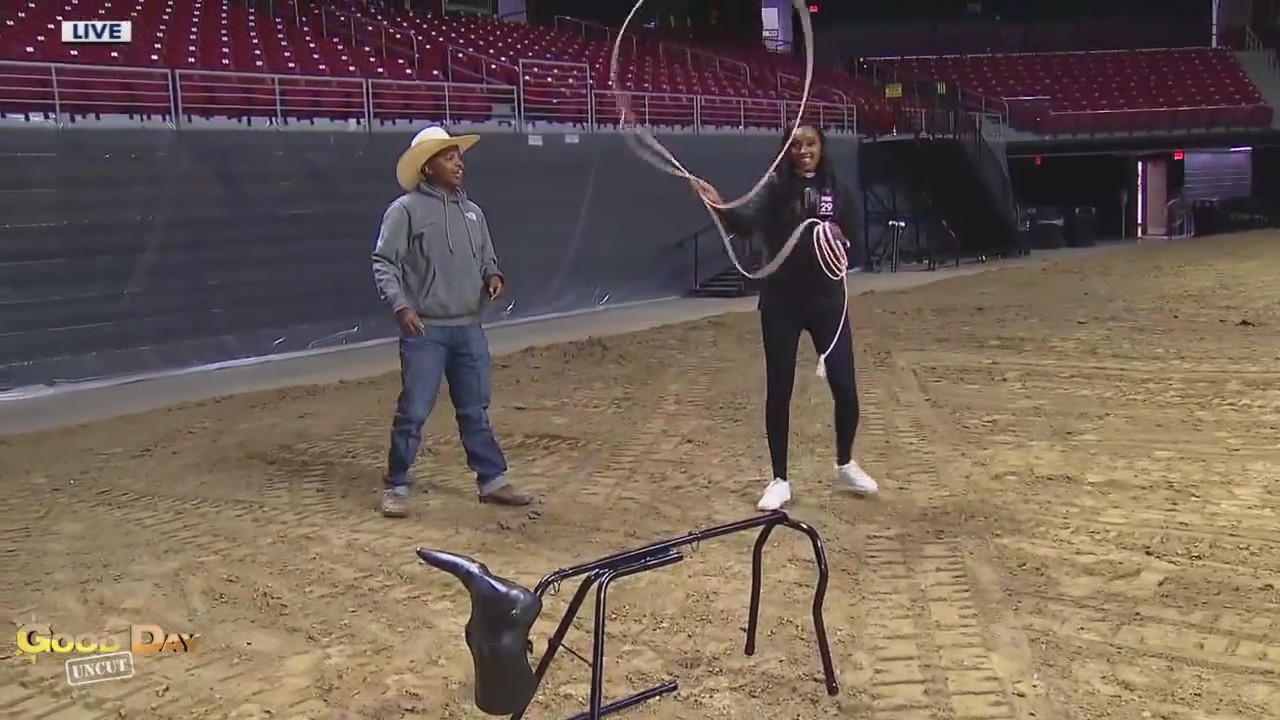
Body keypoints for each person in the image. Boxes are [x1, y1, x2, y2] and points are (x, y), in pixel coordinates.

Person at [692, 124, 879, 511]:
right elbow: (744, 225)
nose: (804, 150)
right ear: (786, 150)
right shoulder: (775, 189)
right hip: (781, 303)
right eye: (795, 145)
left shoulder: (837, 191)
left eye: (810, 143)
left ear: (821, 147)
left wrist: (840, 244)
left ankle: (845, 463)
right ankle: (779, 479)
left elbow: (856, 246)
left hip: (828, 301)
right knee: (780, 389)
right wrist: (717, 204)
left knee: (844, 386)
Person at [371, 126, 534, 518]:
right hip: (425, 329)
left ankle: (491, 480)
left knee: (475, 407)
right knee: (414, 409)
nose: (458, 163)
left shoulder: (473, 213)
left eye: (458, 156)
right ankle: (396, 483)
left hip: (468, 327)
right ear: (427, 167)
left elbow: (487, 260)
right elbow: (384, 262)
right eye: (448, 157)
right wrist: (400, 305)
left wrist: (492, 276)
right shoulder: (405, 210)